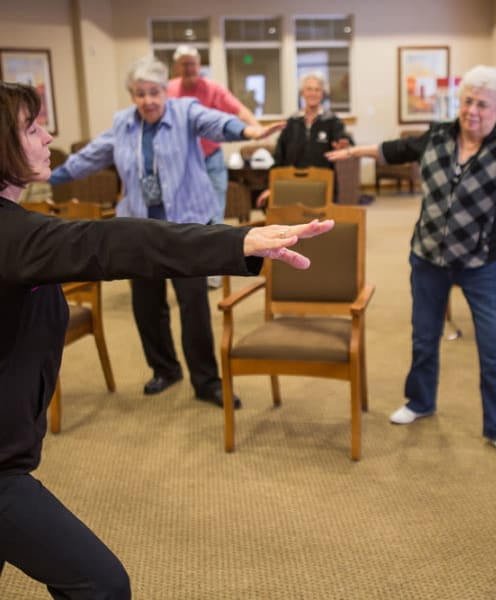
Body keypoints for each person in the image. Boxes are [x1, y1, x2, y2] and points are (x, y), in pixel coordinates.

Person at [0, 81, 333, 598]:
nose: (48, 137)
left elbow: (212, 125)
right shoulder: (14, 236)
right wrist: (236, 239)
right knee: (100, 583)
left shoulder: (18, 230)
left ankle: (200, 376)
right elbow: (113, 240)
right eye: (32, 127)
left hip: (11, 452)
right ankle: (166, 367)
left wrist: (245, 138)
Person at [326, 64, 496, 462]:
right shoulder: (438, 134)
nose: (473, 110)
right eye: (468, 101)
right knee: (424, 338)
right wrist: (352, 151)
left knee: (494, 348)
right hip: (427, 258)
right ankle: (419, 401)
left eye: (483, 105)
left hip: (480, 264)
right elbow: (393, 150)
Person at [49, 56, 284, 408]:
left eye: (154, 92)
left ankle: (206, 381)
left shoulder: (185, 111)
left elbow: (215, 122)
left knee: (193, 306)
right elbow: (92, 155)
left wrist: (247, 131)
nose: (148, 100)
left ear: (165, 90)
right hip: (139, 229)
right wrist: (49, 176)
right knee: (146, 305)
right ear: (132, 95)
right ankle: (164, 368)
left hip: (186, 225)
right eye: (140, 93)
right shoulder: (122, 124)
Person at [167, 45, 261, 288]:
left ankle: (214, 270)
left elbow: (238, 109)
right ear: (177, 67)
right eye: (184, 64)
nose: (189, 68)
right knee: (185, 217)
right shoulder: (170, 89)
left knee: (214, 213)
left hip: (211, 159)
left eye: (193, 64)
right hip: (183, 162)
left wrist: (255, 128)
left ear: (199, 65)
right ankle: (186, 267)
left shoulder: (212, 89)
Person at [256, 71, 353, 206]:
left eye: (317, 89)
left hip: (323, 185)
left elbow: (344, 142)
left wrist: (344, 146)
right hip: (293, 185)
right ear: (302, 93)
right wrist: (271, 187)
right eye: (309, 89)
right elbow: (279, 158)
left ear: (322, 94)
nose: (313, 93)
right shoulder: (291, 122)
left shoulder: (333, 121)